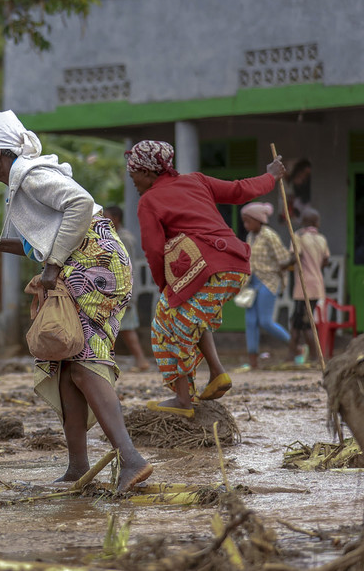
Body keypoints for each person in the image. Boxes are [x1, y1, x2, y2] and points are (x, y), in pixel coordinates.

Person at [0, 110, 151, 494]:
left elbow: (81, 204)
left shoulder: (31, 175)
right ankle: (77, 468)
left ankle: (131, 459)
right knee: (66, 367)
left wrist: (53, 265)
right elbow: (46, 240)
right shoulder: (21, 182)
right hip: (82, 265)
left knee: (83, 364)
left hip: (95, 266)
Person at [126, 140, 285, 415]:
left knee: (166, 324)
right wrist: (270, 176)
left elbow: (153, 250)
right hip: (235, 265)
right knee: (192, 318)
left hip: (206, 268)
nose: (133, 182)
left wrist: (165, 288)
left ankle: (183, 400)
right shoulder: (196, 180)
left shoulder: (148, 201)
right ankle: (217, 373)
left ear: (148, 172)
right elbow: (239, 190)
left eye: (134, 176)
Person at [239, 202, 294, 370]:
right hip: (252, 282)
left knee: (265, 321)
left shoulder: (270, 236)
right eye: (244, 221)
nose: (245, 225)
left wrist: (280, 268)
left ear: (258, 220)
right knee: (251, 322)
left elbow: (284, 258)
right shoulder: (250, 237)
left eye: (248, 221)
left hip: (269, 281)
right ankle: (253, 361)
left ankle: (295, 347)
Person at [102, 205, 151, 372]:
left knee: (127, 329)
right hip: (117, 291)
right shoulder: (114, 237)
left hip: (123, 291)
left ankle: (141, 360)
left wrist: (128, 294)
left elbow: (128, 267)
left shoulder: (124, 239)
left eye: (106, 217)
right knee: (119, 328)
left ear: (116, 219)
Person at [286, 208, 329, 366]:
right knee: (298, 322)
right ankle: (292, 355)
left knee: (303, 323)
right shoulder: (321, 239)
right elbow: (326, 260)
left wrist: (281, 265)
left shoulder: (298, 236)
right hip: (317, 285)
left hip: (303, 287)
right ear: (317, 223)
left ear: (302, 222)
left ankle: (314, 357)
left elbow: (295, 257)